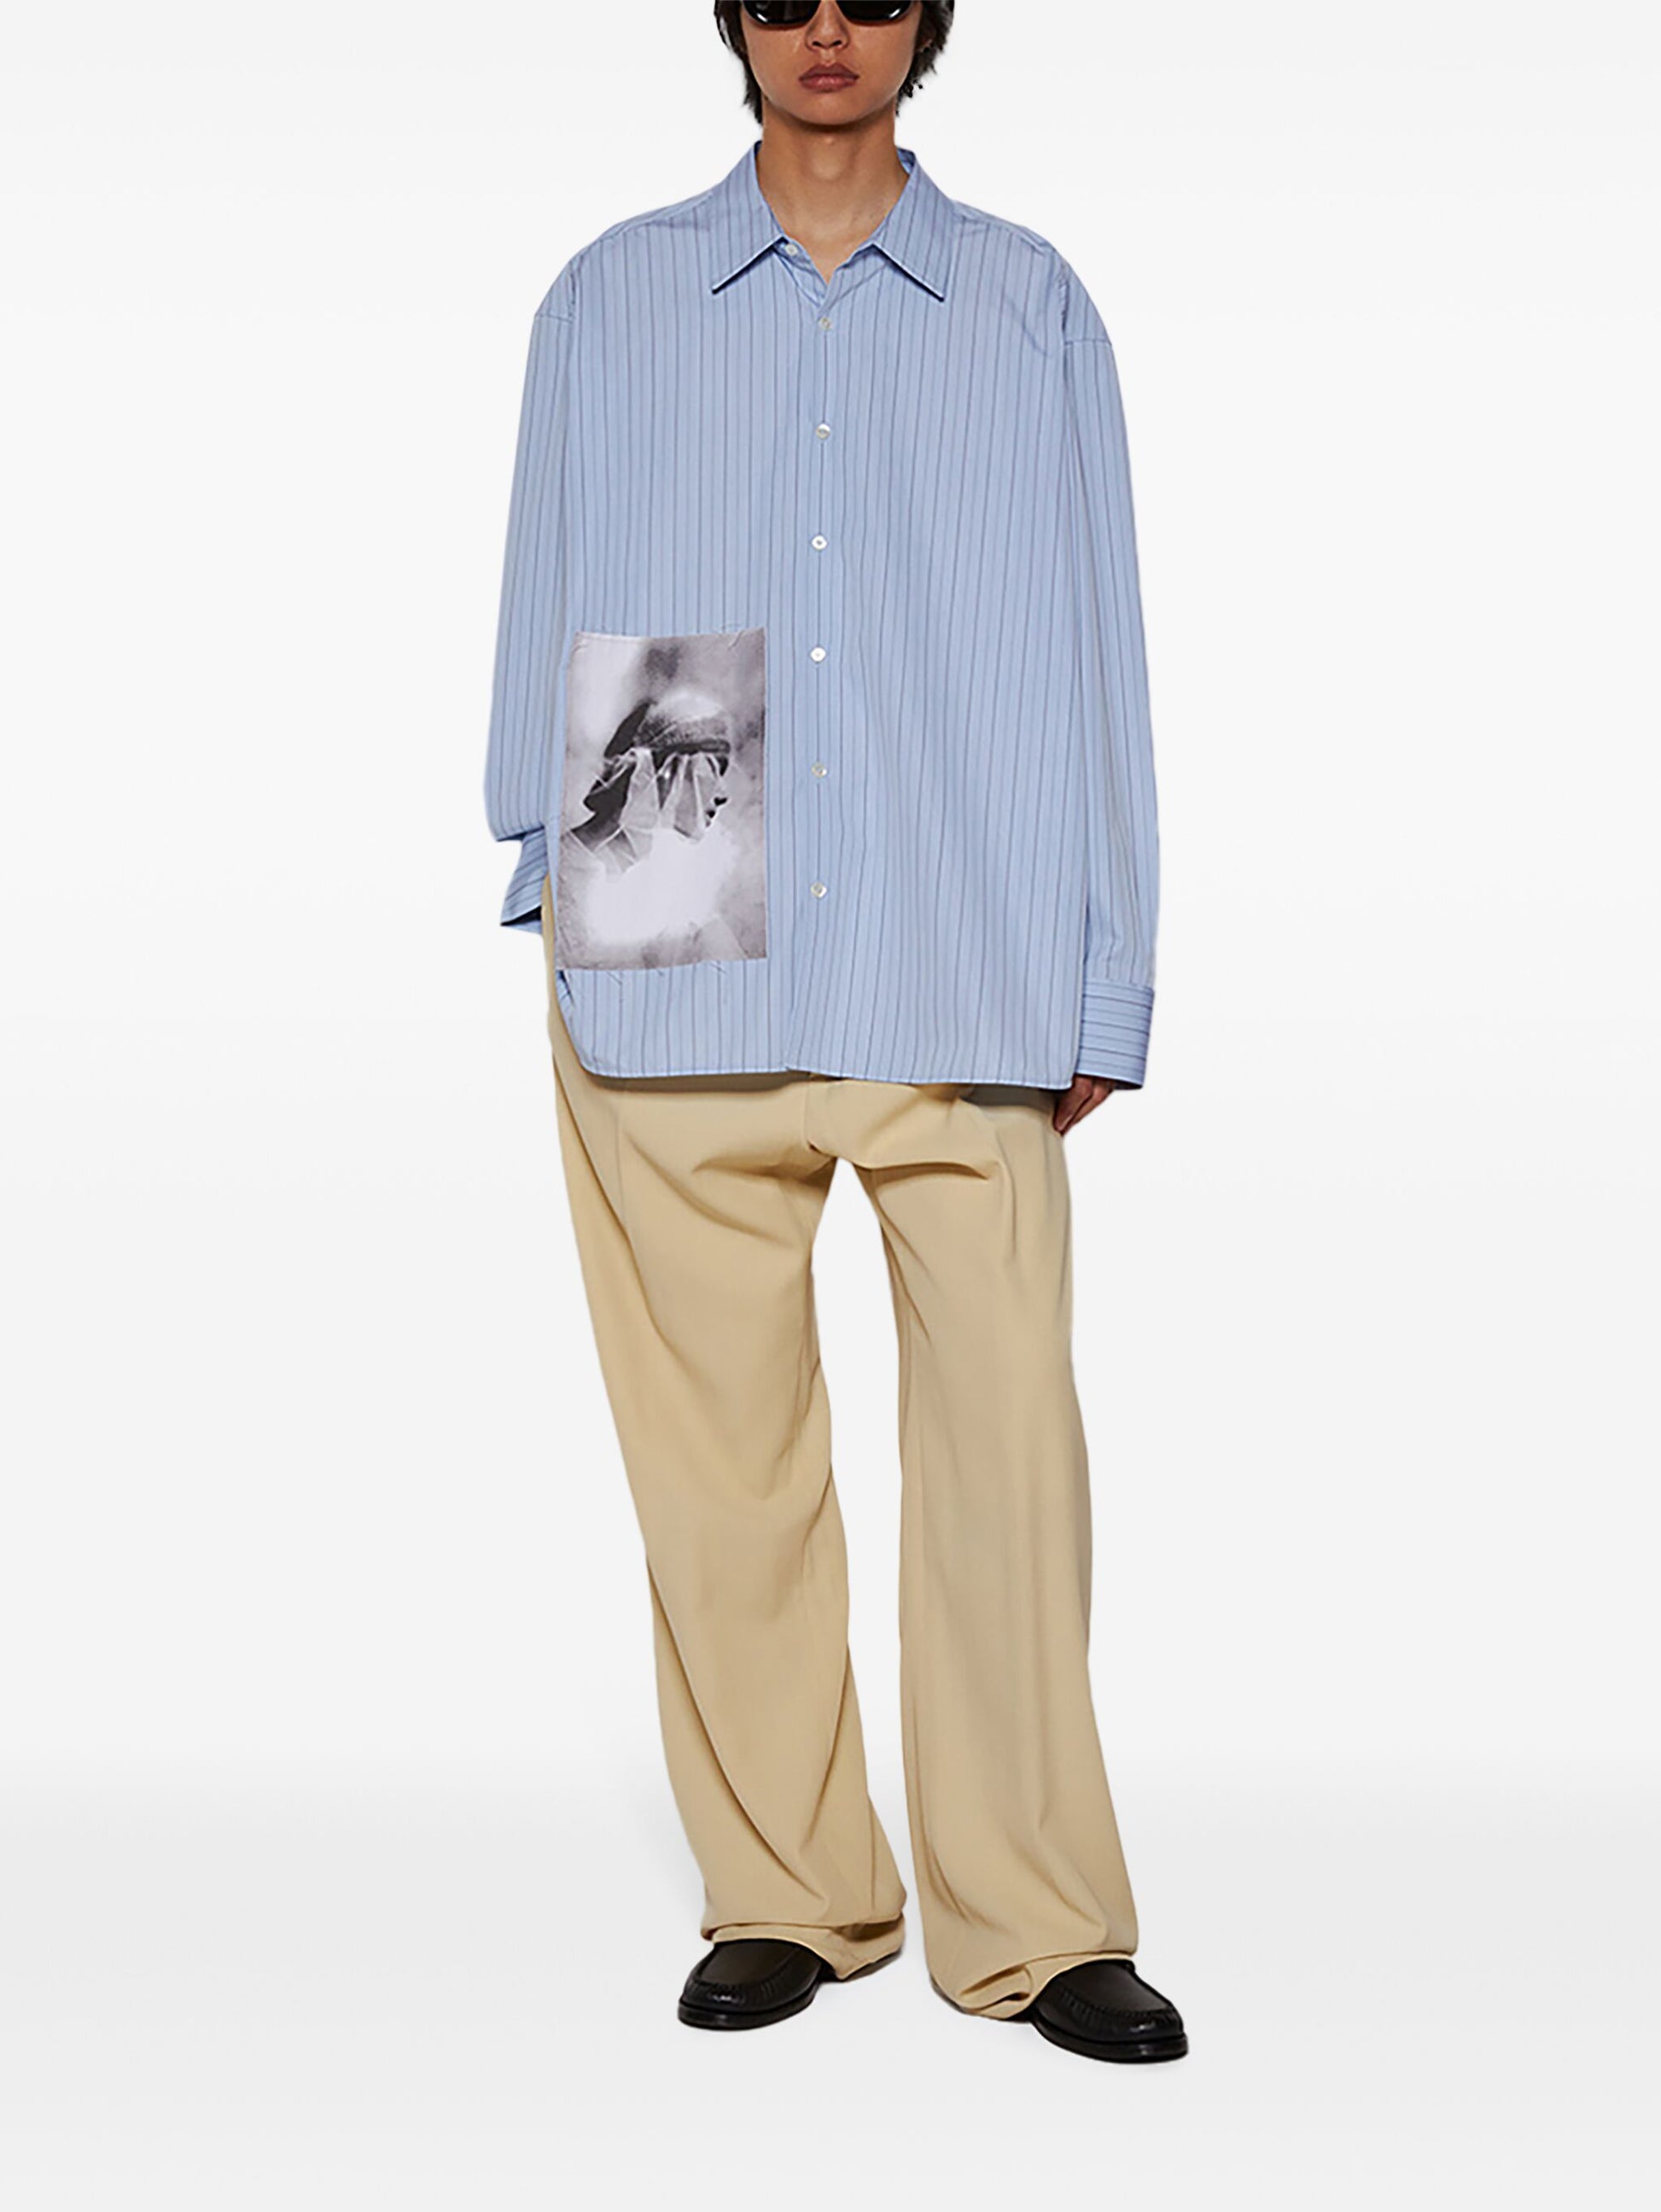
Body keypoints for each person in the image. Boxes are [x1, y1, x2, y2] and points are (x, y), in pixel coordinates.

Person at [482, 1, 1186, 2063]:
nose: (824, 27)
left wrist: (1105, 969)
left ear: (926, 17)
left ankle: (1038, 1923)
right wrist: (543, 873)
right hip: (673, 936)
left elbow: (1100, 644)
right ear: (729, 12)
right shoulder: (609, 299)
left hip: (959, 944)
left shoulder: (1028, 307)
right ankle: (787, 1894)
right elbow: (541, 593)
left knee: (1007, 1460)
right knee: (718, 1474)